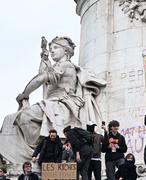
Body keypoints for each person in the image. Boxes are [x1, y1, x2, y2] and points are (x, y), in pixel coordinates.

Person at [0, 36, 106, 164]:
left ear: (66, 51)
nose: (52, 51)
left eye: (55, 48)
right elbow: (46, 77)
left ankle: (35, 150)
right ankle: (35, 150)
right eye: (51, 49)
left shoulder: (66, 65)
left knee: (25, 117)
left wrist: (25, 94)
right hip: (52, 103)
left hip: (62, 104)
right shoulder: (58, 66)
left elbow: (41, 78)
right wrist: (45, 59)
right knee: (15, 118)